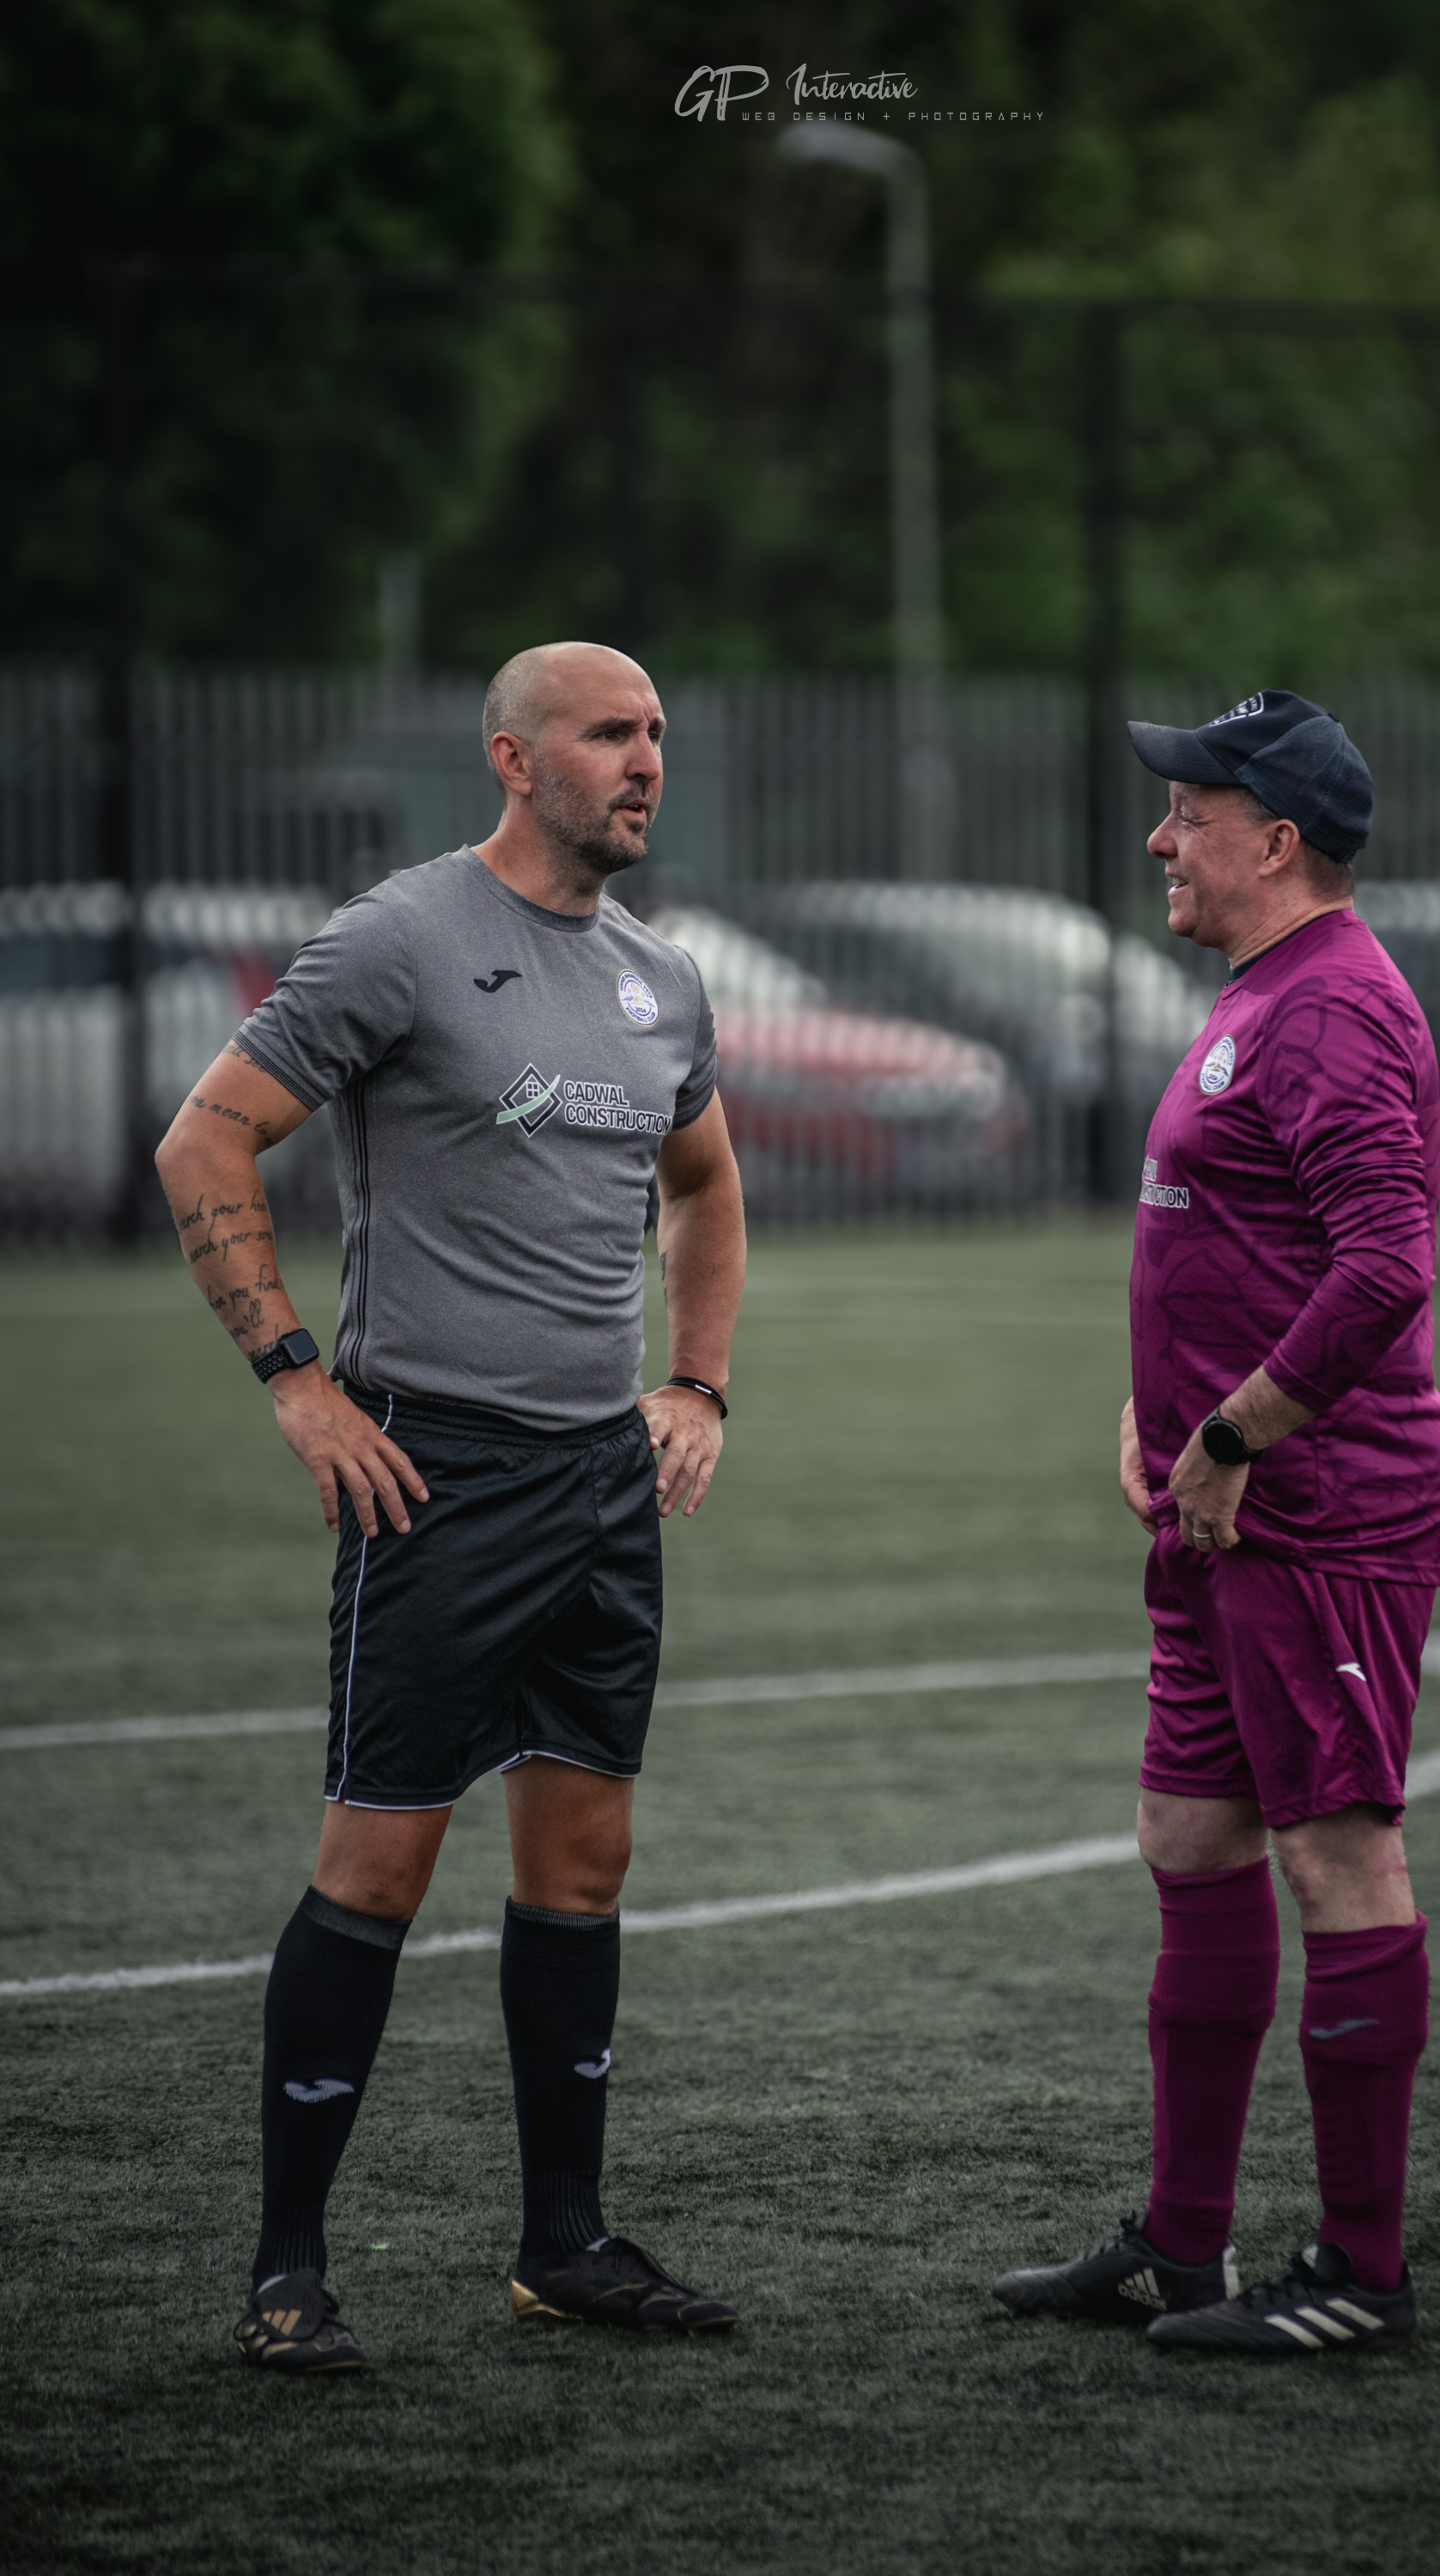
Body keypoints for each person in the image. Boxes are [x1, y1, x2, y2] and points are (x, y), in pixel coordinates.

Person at [155, 641, 747, 2372]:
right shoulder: (400, 936)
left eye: (655, 734)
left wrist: (694, 1386)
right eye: (606, 734)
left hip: (596, 1484)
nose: (643, 761)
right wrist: (293, 1373)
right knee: (377, 1866)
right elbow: (209, 1141)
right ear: (512, 756)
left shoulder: (664, 981)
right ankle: (284, 2275)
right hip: (435, 1476)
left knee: (582, 1866)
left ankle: (562, 2245)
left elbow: (702, 1188)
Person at [993, 690, 1440, 2354]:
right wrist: (1164, 1417)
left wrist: (1233, 1429)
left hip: (1318, 1508)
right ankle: (1183, 2249)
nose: (1157, 837)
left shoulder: (1330, 1007)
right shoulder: (1262, 995)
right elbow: (1240, 1241)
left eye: (1185, 809)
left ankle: (1359, 2275)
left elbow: (1381, 1267)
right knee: (1191, 1845)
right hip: (1218, 1509)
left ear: (1273, 840)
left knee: (1341, 1857)